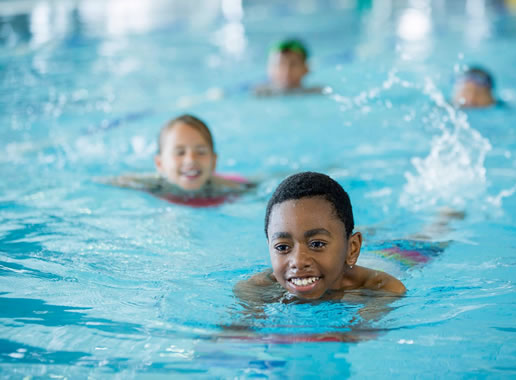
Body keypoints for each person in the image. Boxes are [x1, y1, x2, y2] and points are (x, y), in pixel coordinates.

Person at [235, 171, 406, 302]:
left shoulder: (380, 289)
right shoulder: (257, 290)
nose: (298, 261)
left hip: (396, 258)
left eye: (317, 244)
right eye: (282, 247)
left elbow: (359, 334)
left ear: (352, 249)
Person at [103, 114, 253, 206]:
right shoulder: (152, 185)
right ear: (160, 164)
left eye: (201, 152)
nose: (190, 159)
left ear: (214, 161)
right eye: (180, 152)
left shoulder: (230, 188)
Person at [254, 39, 324, 97]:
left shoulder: (316, 92)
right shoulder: (259, 93)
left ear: (306, 69)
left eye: (293, 64)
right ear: (269, 69)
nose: (286, 71)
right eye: (279, 64)